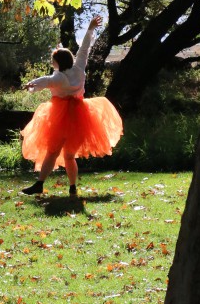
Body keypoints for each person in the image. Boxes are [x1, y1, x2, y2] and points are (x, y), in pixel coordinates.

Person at [20, 15, 123, 197]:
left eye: (53, 61)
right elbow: (84, 49)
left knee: (52, 153)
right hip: (80, 116)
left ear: (58, 62)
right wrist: (90, 29)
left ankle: (40, 183)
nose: (52, 64)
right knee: (69, 155)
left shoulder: (59, 77)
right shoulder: (78, 69)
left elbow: (45, 81)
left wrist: (31, 84)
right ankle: (72, 187)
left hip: (61, 117)